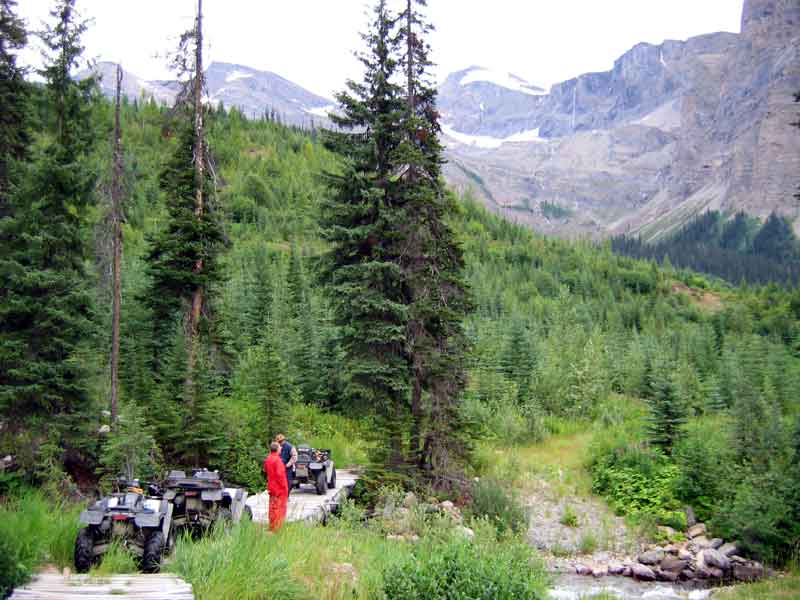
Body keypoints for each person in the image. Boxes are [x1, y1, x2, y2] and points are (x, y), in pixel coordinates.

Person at [263, 441, 288, 531]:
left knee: (272, 507)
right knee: (280, 508)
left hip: (271, 487)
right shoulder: (278, 460)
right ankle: (277, 528)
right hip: (279, 488)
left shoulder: (268, 458)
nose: (281, 448)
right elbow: (280, 475)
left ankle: (272, 526)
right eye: (280, 447)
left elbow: (265, 470)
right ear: (277, 449)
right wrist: (285, 487)